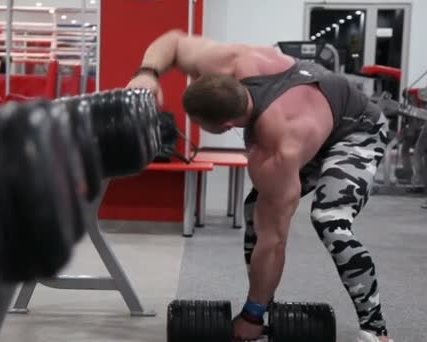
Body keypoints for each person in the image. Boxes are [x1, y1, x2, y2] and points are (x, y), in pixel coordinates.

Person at [126, 30, 392, 342]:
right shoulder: (233, 61)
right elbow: (172, 41)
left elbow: (275, 240)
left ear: (225, 125)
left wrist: (251, 316)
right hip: (313, 121)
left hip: (357, 131)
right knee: (256, 210)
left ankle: (375, 328)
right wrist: (147, 74)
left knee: (330, 220)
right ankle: (267, 302)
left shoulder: (276, 151)